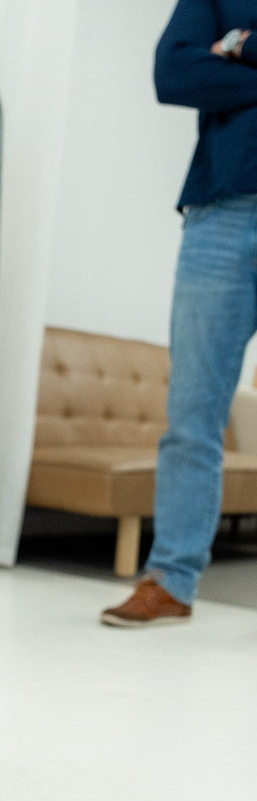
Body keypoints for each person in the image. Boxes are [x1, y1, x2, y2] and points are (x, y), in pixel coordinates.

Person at [102, 0, 257, 627]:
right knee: (193, 415)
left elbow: (206, 74)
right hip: (219, 214)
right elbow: (176, 74)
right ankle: (170, 579)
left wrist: (241, 48)